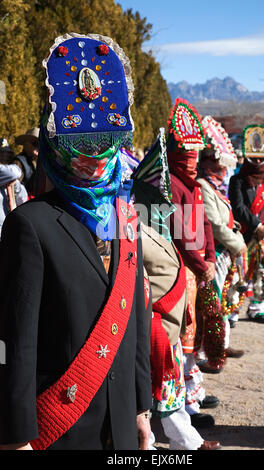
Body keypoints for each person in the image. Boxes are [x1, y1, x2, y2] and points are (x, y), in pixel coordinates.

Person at [0, 33, 152, 451]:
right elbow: (16, 342)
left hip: (121, 426)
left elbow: (136, 323)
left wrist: (142, 408)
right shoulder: (29, 225)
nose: (95, 156)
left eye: (106, 141)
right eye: (79, 145)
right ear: (54, 145)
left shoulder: (125, 217)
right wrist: (15, 438)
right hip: (59, 429)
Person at [132, 128, 221, 451]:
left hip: (176, 306)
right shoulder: (136, 229)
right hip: (156, 319)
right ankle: (168, 440)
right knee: (158, 377)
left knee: (175, 366)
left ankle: (182, 433)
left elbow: (203, 227)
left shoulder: (190, 191)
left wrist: (208, 259)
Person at [166, 99, 220, 428]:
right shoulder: (171, 185)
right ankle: (185, 406)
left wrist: (211, 258)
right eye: (186, 154)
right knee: (184, 333)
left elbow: (206, 227)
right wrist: (202, 265)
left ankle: (193, 391)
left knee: (194, 332)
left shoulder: (194, 185)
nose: (192, 160)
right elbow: (181, 233)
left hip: (198, 269)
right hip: (182, 271)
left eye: (195, 154)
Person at [197, 115, 247, 351]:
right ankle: (211, 349)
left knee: (224, 297)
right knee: (213, 300)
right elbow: (214, 224)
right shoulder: (203, 185)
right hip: (214, 252)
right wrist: (237, 243)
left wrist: (234, 227)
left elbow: (223, 218)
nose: (220, 168)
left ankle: (220, 344)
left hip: (224, 252)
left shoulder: (215, 186)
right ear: (206, 163)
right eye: (215, 163)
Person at [229, 124, 264, 324]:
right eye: (254, 159)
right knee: (241, 273)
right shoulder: (237, 180)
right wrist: (256, 227)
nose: (258, 162)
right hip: (246, 234)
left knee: (263, 271)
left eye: (261, 158)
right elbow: (238, 207)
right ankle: (233, 311)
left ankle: (257, 309)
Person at [0, 138, 28, 237]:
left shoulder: (9, 177)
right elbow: (14, 172)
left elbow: (23, 198)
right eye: (2, 153)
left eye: (7, 153)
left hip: (7, 229)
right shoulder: (9, 172)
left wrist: (15, 184)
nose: (5, 156)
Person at [14, 127, 39, 197]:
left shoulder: (38, 160)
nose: (38, 147)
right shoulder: (18, 162)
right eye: (35, 143)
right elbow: (14, 187)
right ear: (26, 144)